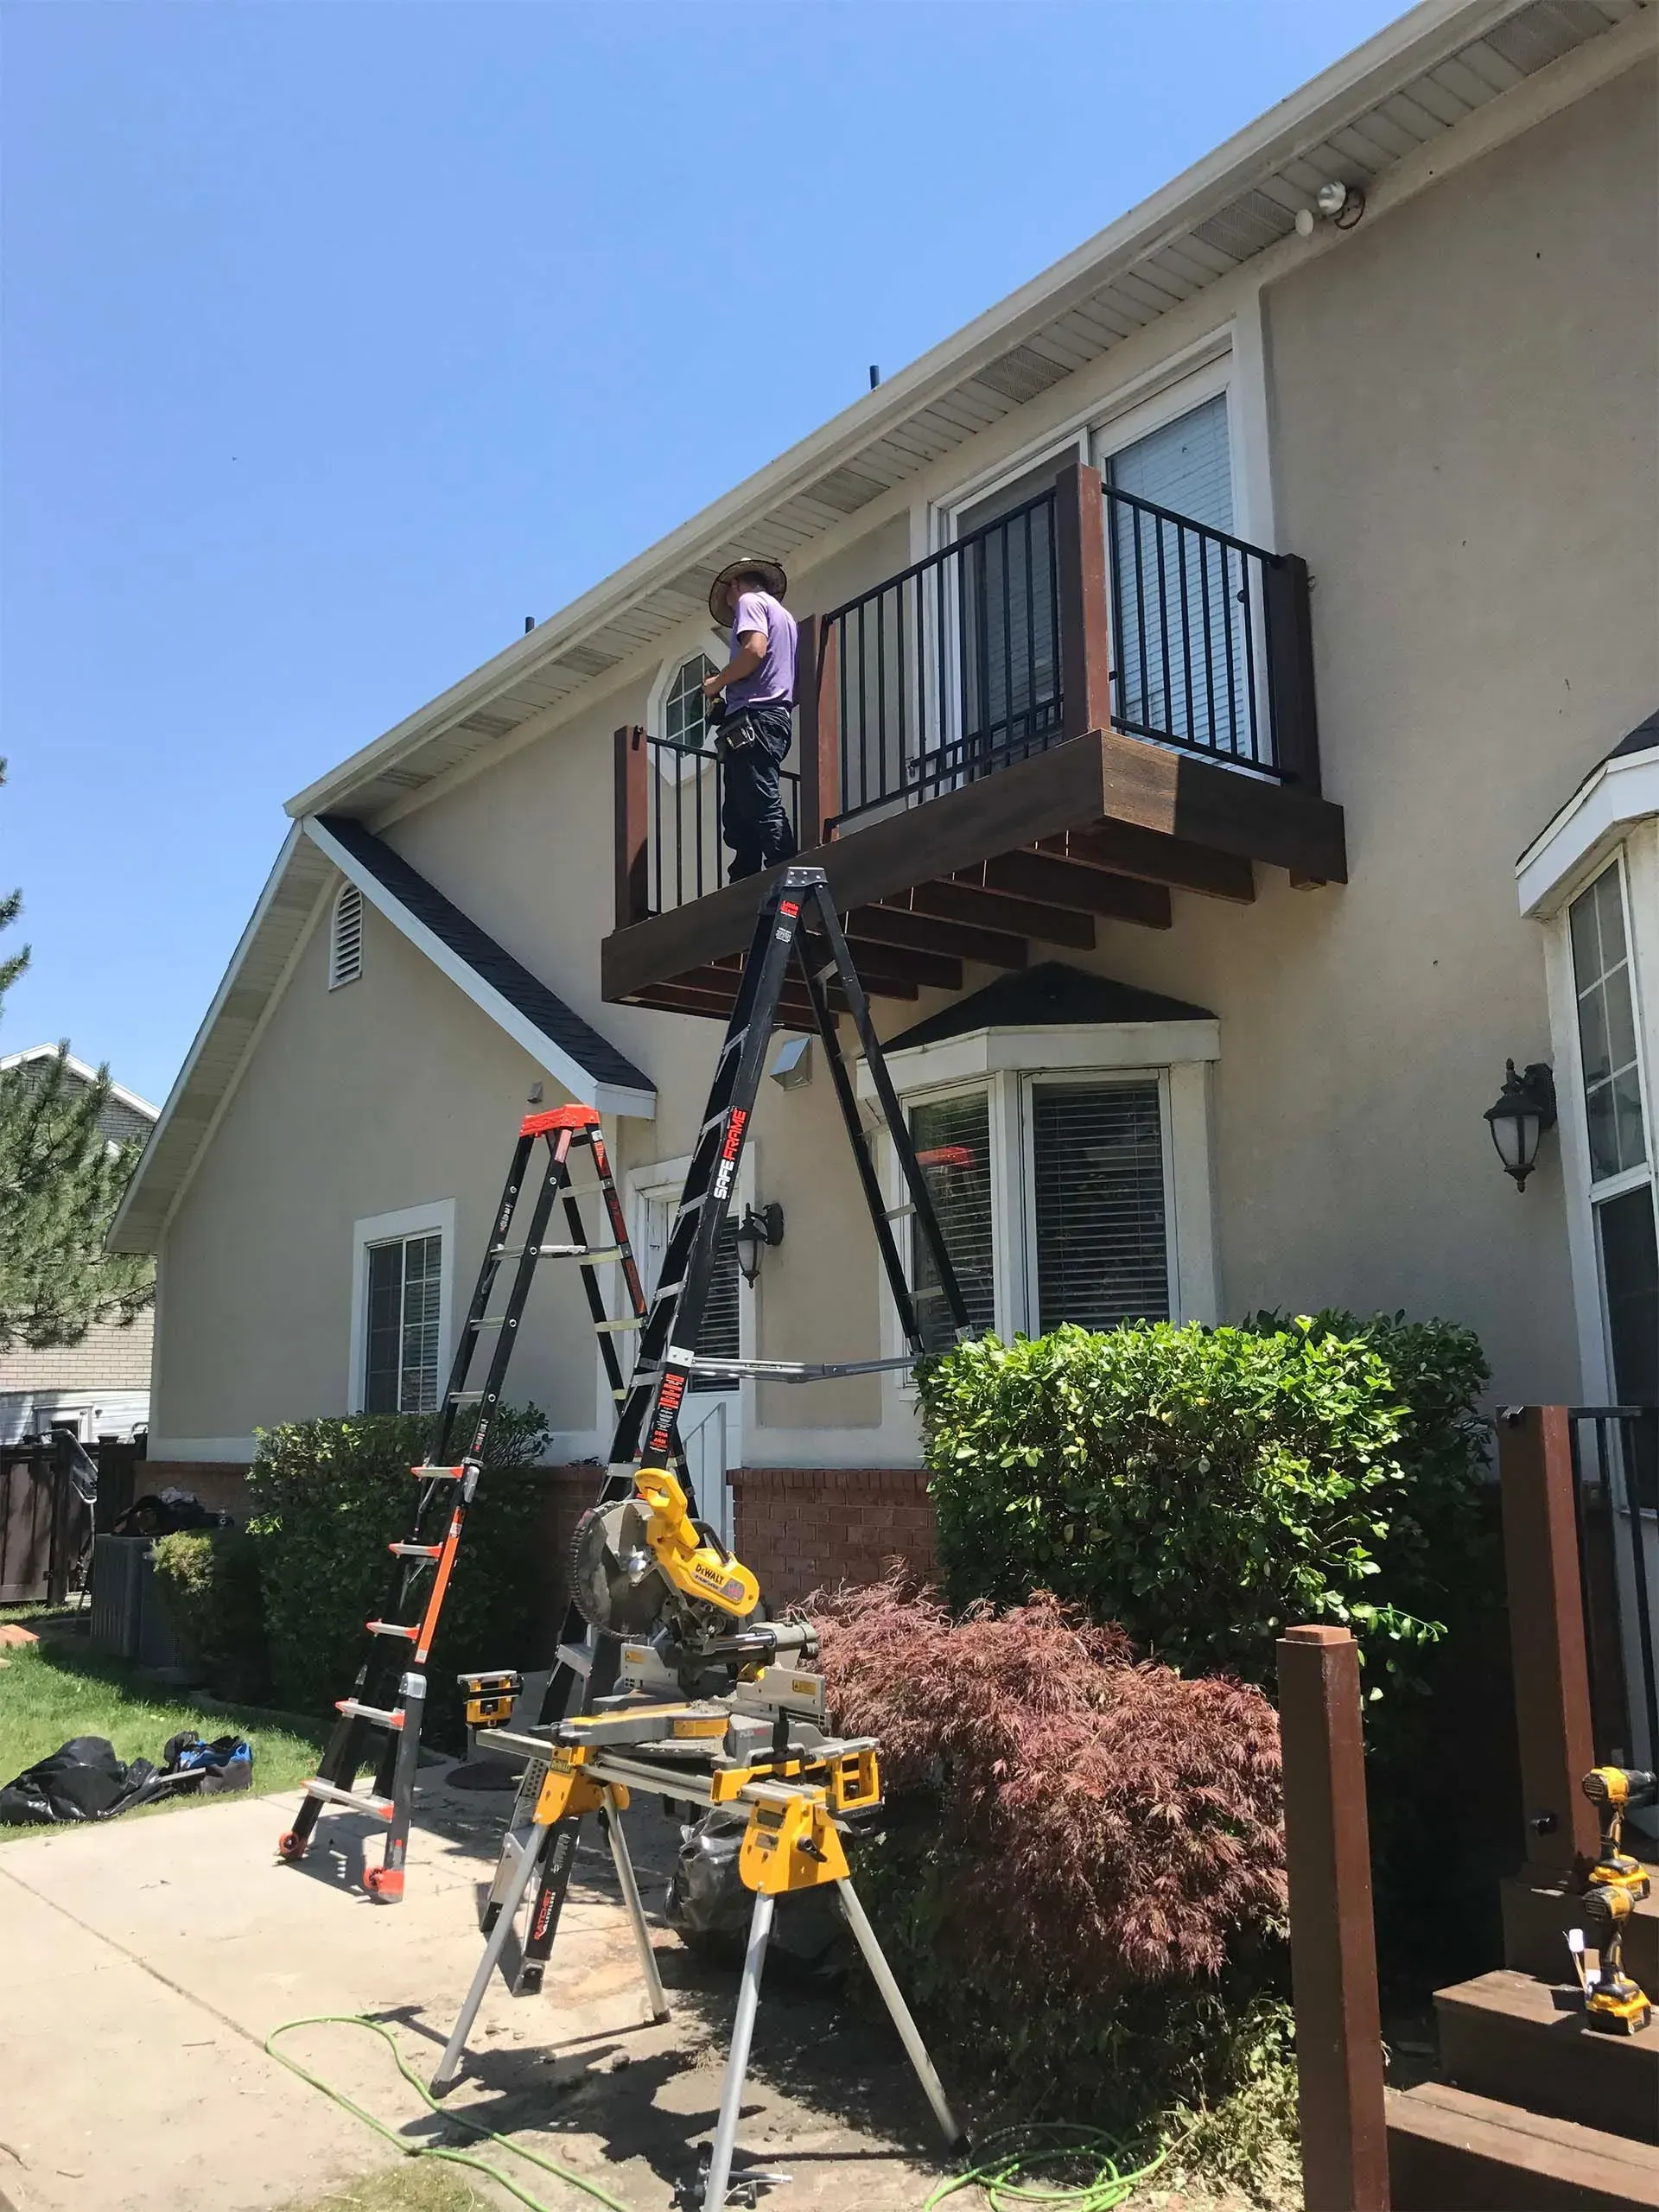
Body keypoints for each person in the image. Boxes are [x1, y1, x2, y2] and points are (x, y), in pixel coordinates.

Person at [703, 559, 799, 881]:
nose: (734, 610)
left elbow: (754, 650)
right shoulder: (785, 618)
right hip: (772, 720)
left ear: (734, 586)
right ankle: (746, 881)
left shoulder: (749, 601)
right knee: (742, 809)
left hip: (754, 720)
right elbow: (783, 679)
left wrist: (717, 684)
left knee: (758, 803)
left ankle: (787, 874)